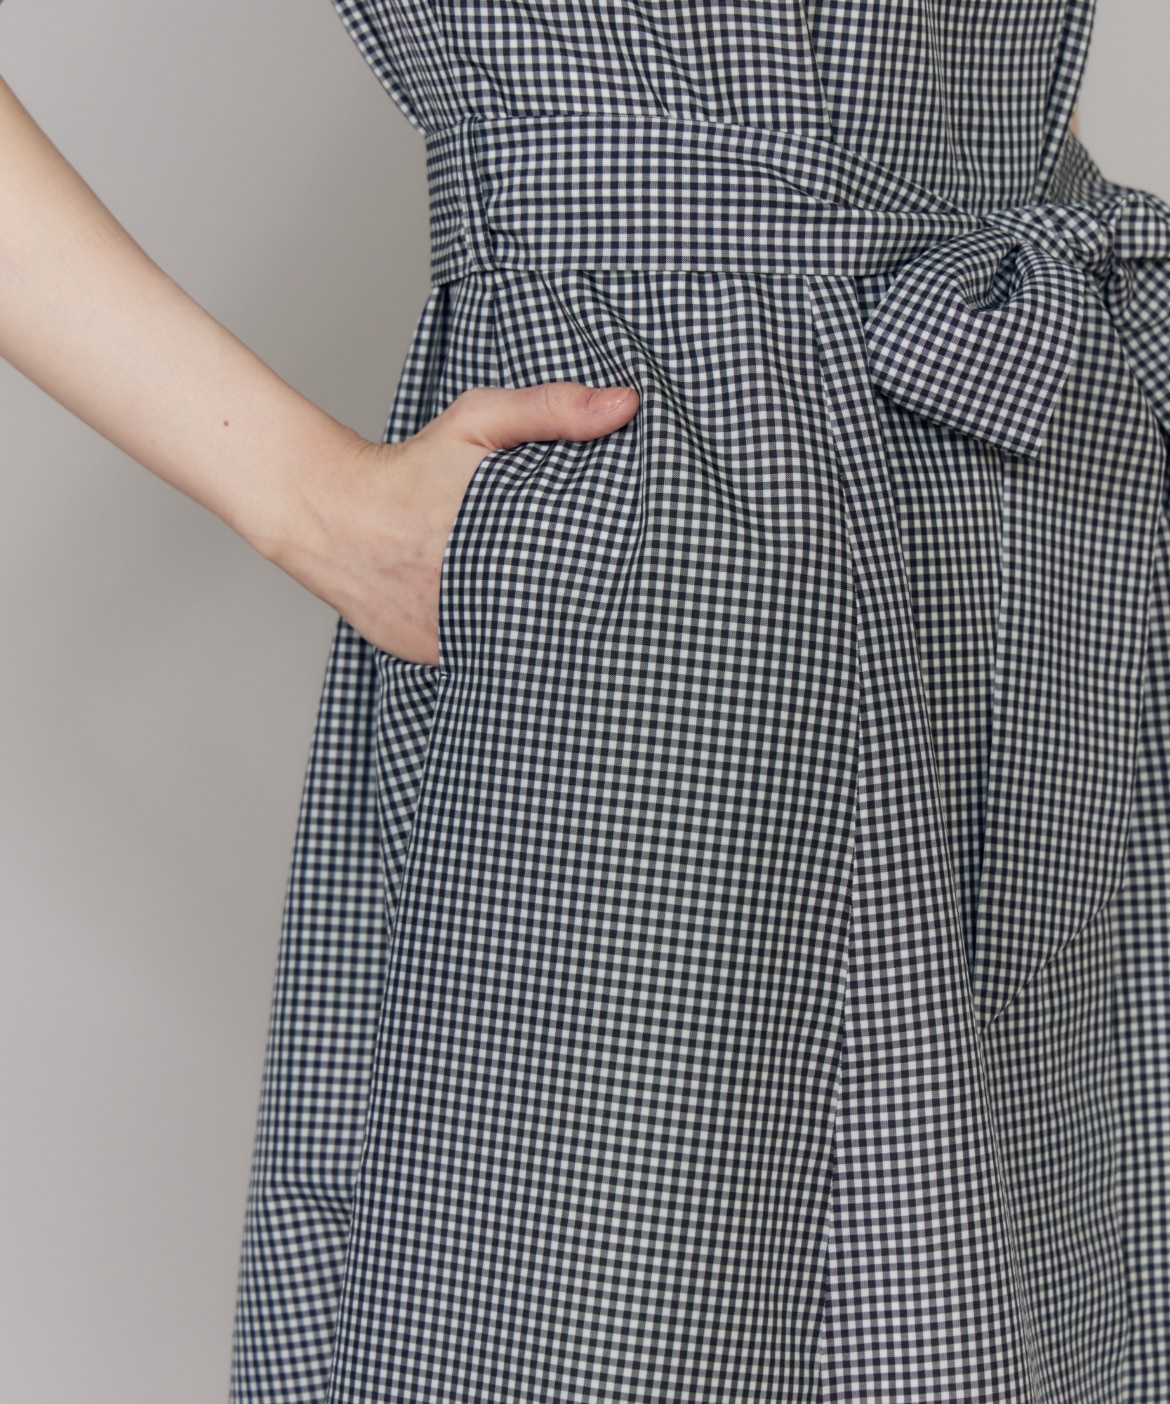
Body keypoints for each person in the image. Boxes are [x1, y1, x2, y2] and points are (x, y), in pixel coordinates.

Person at [4, 2, 1170, 1402]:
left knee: (1040, 1294)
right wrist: (310, 504)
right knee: (609, 1323)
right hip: (672, 525)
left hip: (1042, 481)